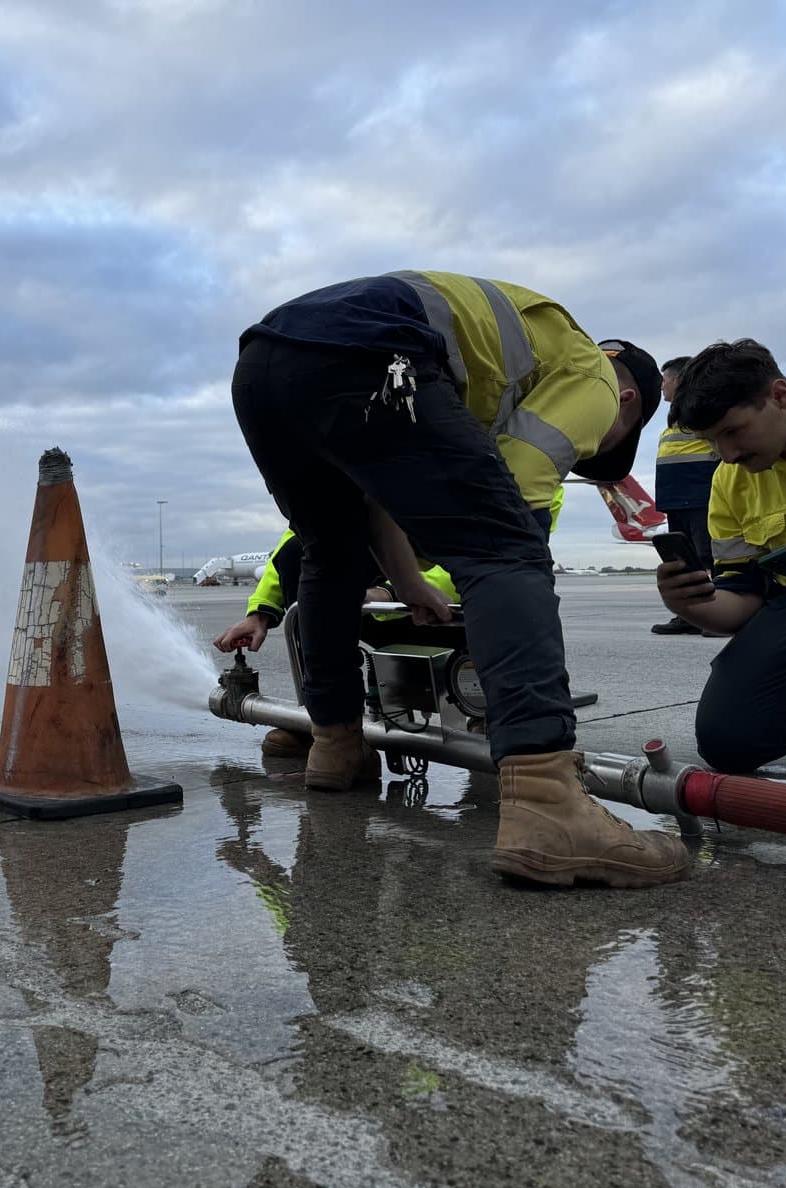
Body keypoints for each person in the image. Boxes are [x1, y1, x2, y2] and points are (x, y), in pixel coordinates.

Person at [220, 270, 686, 888]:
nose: (585, 449)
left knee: (329, 550)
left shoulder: (489, 370)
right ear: (628, 404)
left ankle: (334, 744)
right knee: (507, 540)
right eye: (600, 446)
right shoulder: (596, 377)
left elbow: (377, 495)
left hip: (262, 368)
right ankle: (547, 804)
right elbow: (512, 501)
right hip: (371, 350)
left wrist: (407, 580)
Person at [230, 486, 565, 756]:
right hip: (372, 602)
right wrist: (261, 610)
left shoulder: (522, 471)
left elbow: (497, 558)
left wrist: (389, 591)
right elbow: (299, 542)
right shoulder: (406, 438)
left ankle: (492, 713)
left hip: (443, 612)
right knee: (305, 548)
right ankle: (325, 722)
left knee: (503, 597)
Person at [659, 340, 786, 773]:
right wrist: (690, 602)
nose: (727, 455)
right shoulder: (731, 479)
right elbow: (741, 598)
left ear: (779, 395)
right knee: (729, 738)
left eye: (733, 431)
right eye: (711, 442)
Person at [650, 355, 721, 635]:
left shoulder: (703, 412)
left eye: (664, 379)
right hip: (677, 497)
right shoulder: (675, 420)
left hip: (701, 495)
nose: (661, 386)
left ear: (679, 380)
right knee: (683, 557)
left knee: (711, 554)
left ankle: (718, 614)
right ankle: (691, 615)